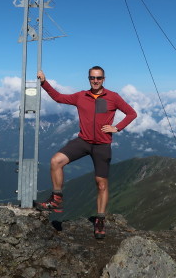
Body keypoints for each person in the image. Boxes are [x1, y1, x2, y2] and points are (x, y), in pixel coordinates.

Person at [34, 66, 137, 239]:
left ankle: (100, 220)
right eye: (92, 78)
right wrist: (44, 82)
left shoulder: (113, 97)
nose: (95, 81)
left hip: (102, 145)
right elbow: (58, 97)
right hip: (83, 141)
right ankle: (56, 199)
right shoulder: (81, 96)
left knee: (101, 184)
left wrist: (117, 127)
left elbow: (131, 113)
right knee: (55, 161)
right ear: (88, 79)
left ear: (104, 79)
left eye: (98, 78)